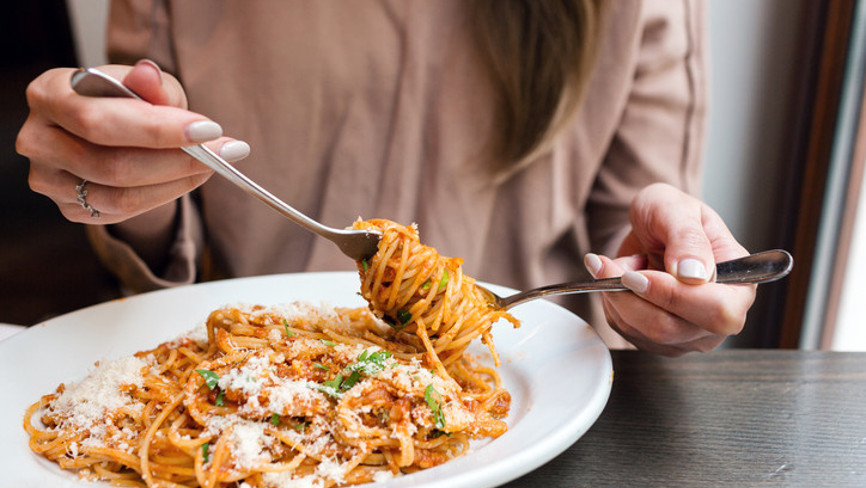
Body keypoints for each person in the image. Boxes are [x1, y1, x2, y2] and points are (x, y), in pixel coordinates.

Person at [16, 0, 755, 356]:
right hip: (257, 378)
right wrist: (119, 173)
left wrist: (661, 292)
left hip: (526, 393)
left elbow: (632, 245)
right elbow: (158, 253)